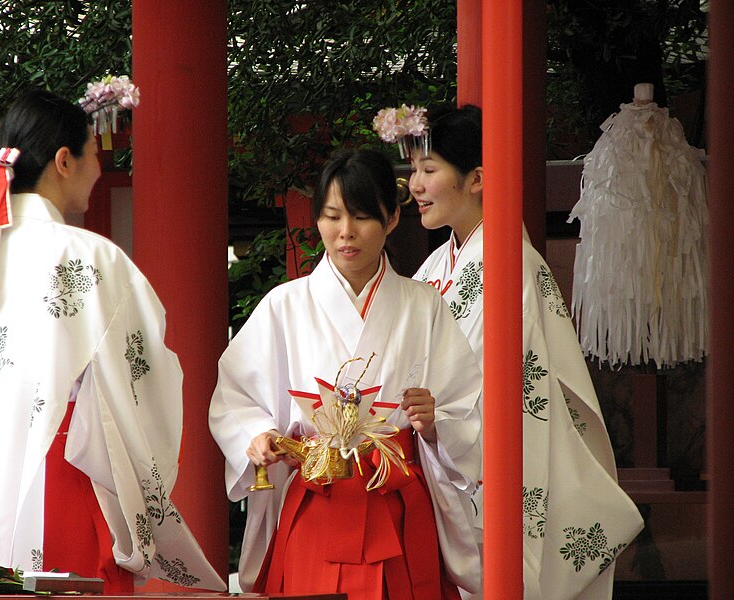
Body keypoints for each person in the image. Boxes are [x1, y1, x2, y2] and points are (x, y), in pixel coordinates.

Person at [0, 89, 225, 593]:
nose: (98, 169)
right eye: (95, 155)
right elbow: (142, 382)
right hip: (65, 485)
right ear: (64, 161)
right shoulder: (89, 258)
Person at [209, 149, 484, 600]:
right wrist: (259, 433)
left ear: (393, 219)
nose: (345, 233)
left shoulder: (425, 305)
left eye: (361, 217)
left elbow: (464, 406)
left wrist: (436, 424)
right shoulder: (284, 305)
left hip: (395, 499)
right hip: (315, 501)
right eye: (332, 216)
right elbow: (236, 396)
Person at [405, 105, 644, 599]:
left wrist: (439, 423)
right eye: (413, 171)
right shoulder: (434, 267)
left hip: (490, 467)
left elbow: (492, 387)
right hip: (444, 460)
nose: (414, 184)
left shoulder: (511, 264)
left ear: (476, 179)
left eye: (429, 170)